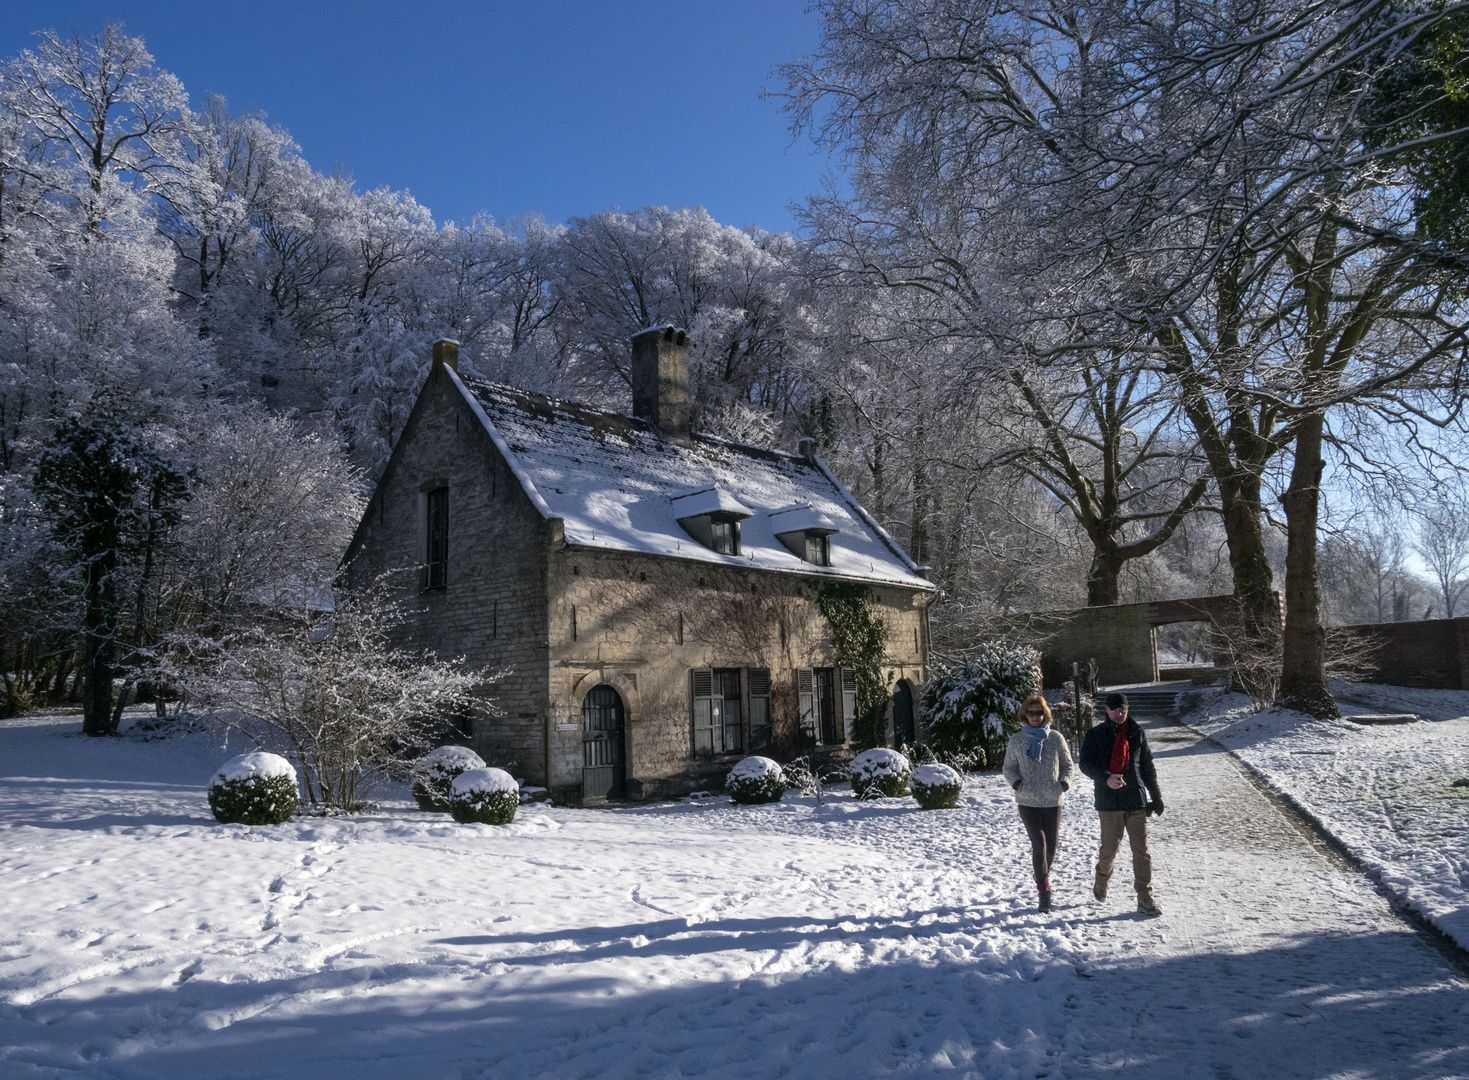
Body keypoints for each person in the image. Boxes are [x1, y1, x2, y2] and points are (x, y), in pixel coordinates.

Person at [1079, 691, 1165, 917]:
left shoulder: (1137, 733)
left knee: (1142, 852)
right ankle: (1102, 879)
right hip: (1109, 803)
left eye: (1123, 708)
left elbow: (1147, 766)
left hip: (1135, 800)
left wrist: (1155, 796)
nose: (1120, 712)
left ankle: (1145, 898)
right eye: (1115, 708)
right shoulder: (1096, 735)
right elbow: (1085, 765)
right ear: (1106, 710)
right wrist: (1105, 777)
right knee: (1109, 850)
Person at [1001, 695, 1075, 913]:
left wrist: (1063, 783)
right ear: (1025, 715)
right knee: (1039, 845)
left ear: (1045, 715)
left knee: (1051, 846)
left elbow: (1068, 765)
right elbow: (1008, 768)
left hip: (1053, 800)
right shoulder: (1017, 740)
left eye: (1039, 713)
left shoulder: (1055, 738)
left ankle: (1040, 874)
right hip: (1028, 800)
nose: (1035, 717)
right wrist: (1016, 783)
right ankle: (1044, 892)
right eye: (1031, 713)